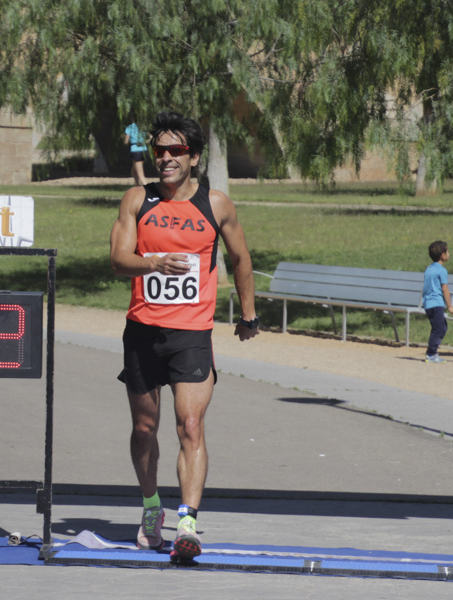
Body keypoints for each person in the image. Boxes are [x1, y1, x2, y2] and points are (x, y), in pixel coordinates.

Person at [109, 111, 260, 562]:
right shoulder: (137, 200)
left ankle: (187, 521)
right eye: (160, 150)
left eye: (176, 151)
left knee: (190, 425)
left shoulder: (216, 205)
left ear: (193, 157)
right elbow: (118, 260)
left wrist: (248, 314)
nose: (167, 158)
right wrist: (152, 263)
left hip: (192, 334)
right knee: (144, 427)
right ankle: (151, 507)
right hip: (142, 331)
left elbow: (241, 259)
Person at [423, 240, 453, 363]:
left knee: (440, 326)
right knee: (439, 329)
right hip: (436, 303)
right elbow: (445, 289)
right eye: (447, 251)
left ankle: (432, 352)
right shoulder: (442, 270)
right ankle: (431, 354)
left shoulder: (429, 268)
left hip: (428, 303)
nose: (449, 253)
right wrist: (450, 306)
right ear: (443, 255)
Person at [123, 121, 150, 187]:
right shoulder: (142, 127)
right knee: (134, 172)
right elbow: (151, 137)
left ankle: (151, 192)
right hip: (144, 151)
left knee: (141, 175)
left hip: (136, 151)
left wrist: (123, 138)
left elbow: (126, 142)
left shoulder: (129, 127)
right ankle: (137, 188)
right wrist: (144, 142)